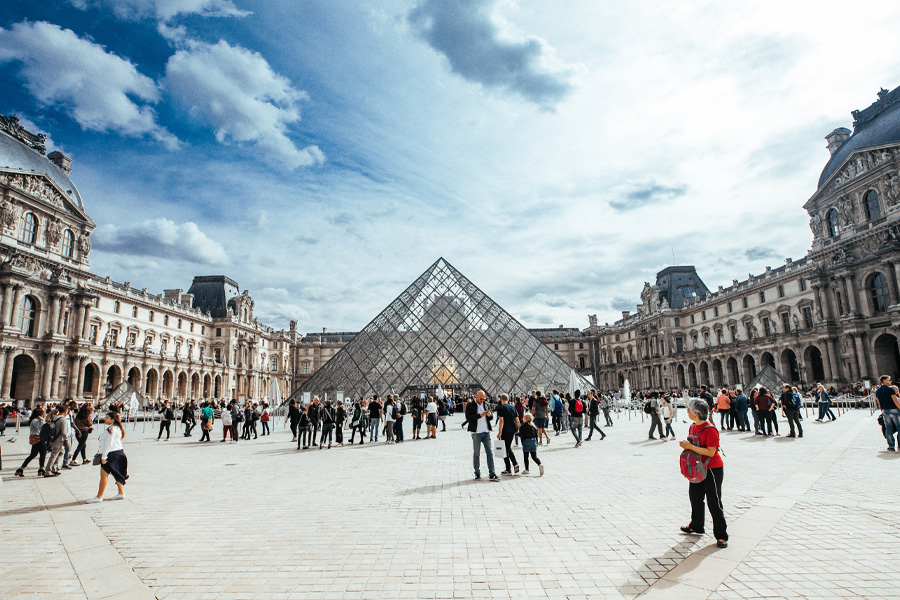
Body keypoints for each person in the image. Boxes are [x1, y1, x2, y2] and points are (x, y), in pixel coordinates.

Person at [679, 398, 728, 548]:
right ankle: (697, 525)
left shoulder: (710, 429)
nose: (687, 412)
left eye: (689, 410)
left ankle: (721, 535)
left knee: (714, 501)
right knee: (695, 497)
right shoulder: (693, 427)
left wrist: (690, 447)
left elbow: (711, 452)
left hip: (712, 469)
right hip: (697, 467)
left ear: (696, 413)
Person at [85, 412, 128, 503]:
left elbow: (109, 443)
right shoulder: (116, 428)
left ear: (112, 419)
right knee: (116, 473)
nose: (105, 419)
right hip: (118, 452)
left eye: (107, 417)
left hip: (111, 454)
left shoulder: (111, 429)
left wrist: (104, 457)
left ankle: (99, 496)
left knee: (104, 476)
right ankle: (121, 493)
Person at [465, 390, 497, 481]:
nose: (482, 400)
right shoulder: (470, 405)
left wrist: (489, 415)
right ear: (476, 396)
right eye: (481, 398)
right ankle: (477, 472)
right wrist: (479, 415)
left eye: (484, 398)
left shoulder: (486, 404)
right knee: (476, 454)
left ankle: (492, 472)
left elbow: (490, 418)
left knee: (489, 453)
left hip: (486, 432)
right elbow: (468, 418)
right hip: (476, 433)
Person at [15, 407, 47, 478]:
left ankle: (21, 469)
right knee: (42, 453)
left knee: (33, 454)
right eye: (43, 412)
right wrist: (43, 421)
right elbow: (42, 428)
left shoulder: (35, 420)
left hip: (36, 439)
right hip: (38, 438)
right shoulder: (36, 420)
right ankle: (41, 469)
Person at [496, 394, 520, 475]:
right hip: (512, 430)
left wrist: (499, 432)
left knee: (505, 449)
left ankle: (510, 468)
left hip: (505, 431)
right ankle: (513, 465)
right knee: (507, 448)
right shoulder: (512, 407)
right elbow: (517, 420)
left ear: (501, 399)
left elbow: (501, 421)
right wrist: (519, 430)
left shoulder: (501, 407)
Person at [875, 376, 900, 451]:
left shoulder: (878, 391)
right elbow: (895, 401)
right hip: (894, 410)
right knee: (899, 427)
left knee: (888, 428)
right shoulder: (890, 390)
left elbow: (879, 403)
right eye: (889, 380)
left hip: (884, 410)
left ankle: (891, 446)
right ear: (884, 381)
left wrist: (882, 410)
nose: (891, 381)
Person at [46, 405, 71, 475]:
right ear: (65, 412)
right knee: (54, 454)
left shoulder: (54, 418)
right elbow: (63, 432)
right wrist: (67, 440)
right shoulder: (63, 419)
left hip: (53, 437)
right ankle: (48, 470)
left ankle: (54, 467)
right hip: (59, 439)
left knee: (61, 452)